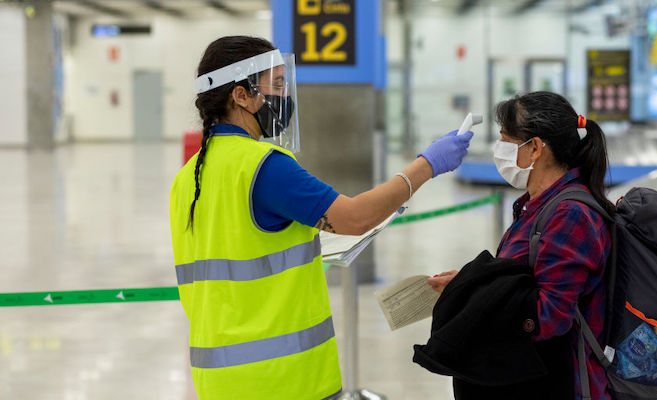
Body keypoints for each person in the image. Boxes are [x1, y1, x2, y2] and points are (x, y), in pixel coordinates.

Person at [169, 36, 473, 400]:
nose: (285, 96)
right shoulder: (264, 166)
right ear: (241, 95)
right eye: (277, 85)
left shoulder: (188, 178)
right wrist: (428, 165)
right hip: (284, 379)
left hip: (220, 381)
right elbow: (355, 217)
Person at [428, 91, 614, 399]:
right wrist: (466, 282)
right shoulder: (537, 206)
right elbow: (522, 280)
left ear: (536, 148)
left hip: (562, 386)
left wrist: (471, 297)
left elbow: (547, 317)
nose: (498, 150)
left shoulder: (571, 216)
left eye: (505, 140)